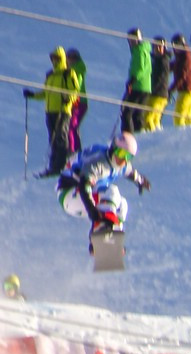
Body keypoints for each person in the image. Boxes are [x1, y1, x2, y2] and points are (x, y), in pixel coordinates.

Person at [56, 132, 150, 246]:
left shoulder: (121, 164)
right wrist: (92, 210)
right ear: (113, 148)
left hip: (82, 197)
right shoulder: (99, 162)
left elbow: (130, 172)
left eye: (128, 156)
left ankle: (113, 241)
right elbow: (84, 185)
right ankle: (101, 231)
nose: (123, 159)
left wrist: (141, 181)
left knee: (122, 205)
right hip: (69, 192)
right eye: (121, 153)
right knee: (111, 191)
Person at [23, 46, 80, 175]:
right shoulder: (50, 75)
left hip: (63, 110)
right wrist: (32, 95)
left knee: (60, 136)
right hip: (50, 111)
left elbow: (74, 90)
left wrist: (68, 99)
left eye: (57, 58)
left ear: (62, 58)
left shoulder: (68, 73)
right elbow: (46, 93)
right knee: (53, 138)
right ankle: (53, 165)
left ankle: (60, 166)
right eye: (53, 58)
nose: (54, 61)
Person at [122, 28, 152, 133]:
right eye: (129, 40)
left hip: (138, 87)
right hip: (143, 87)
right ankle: (138, 134)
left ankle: (129, 136)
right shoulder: (141, 50)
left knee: (127, 112)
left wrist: (132, 81)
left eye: (132, 40)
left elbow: (140, 69)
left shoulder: (139, 51)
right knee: (137, 113)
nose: (130, 43)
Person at [168, 34, 191, 127]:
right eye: (174, 45)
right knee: (188, 118)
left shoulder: (185, 57)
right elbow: (173, 66)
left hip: (186, 91)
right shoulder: (181, 56)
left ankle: (181, 136)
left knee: (178, 116)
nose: (176, 48)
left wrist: (171, 90)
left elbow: (181, 76)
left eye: (178, 45)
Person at [145, 37, 171, 131]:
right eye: (156, 47)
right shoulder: (157, 60)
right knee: (155, 119)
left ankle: (151, 137)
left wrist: (150, 90)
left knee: (148, 118)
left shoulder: (162, 61)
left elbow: (160, 79)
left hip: (157, 94)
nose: (158, 49)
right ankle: (157, 136)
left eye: (160, 46)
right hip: (161, 94)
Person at [65, 48, 87, 153]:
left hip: (78, 102)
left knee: (71, 126)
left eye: (69, 59)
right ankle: (77, 150)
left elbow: (76, 87)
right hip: (78, 101)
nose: (67, 61)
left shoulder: (75, 71)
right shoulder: (76, 69)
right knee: (73, 127)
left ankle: (73, 150)